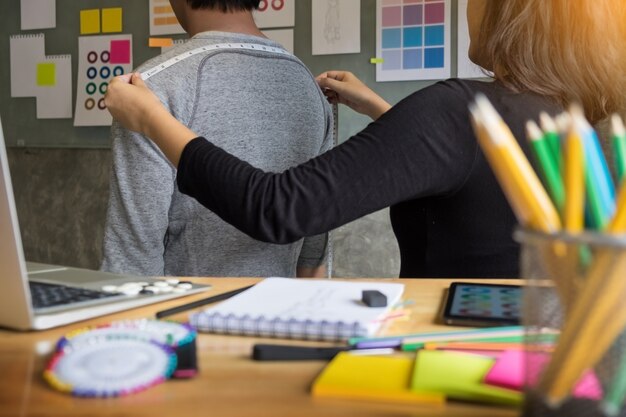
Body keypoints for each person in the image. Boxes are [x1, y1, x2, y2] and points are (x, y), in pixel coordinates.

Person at [104, 0, 626, 278]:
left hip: (454, 352)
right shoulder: (566, 115)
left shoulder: (457, 112)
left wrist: (152, 119)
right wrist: (382, 109)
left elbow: (277, 206)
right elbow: (474, 171)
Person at [100, 0, 334, 278]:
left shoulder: (142, 92)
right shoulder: (311, 89)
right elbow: (314, 252)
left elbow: (132, 258)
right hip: (282, 317)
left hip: (183, 318)